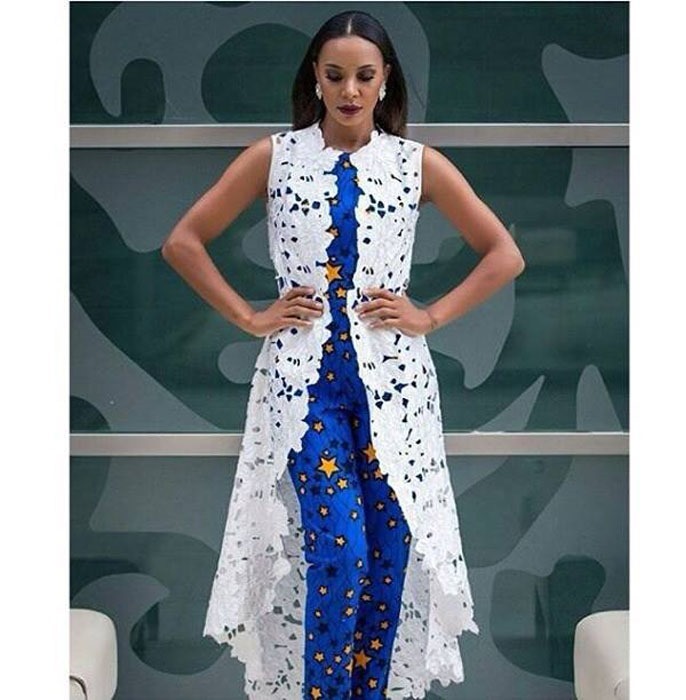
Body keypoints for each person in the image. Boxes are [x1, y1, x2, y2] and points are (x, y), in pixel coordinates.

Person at [162, 10, 525, 700]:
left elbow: (504, 254)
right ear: (315, 79)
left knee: (388, 558)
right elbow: (183, 241)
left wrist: (429, 316)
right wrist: (249, 317)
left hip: (395, 392)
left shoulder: (417, 164)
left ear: (386, 80)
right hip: (305, 390)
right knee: (342, 551)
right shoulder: (275, 156)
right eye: (335, 76)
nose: (350, 91)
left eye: (364, 76)